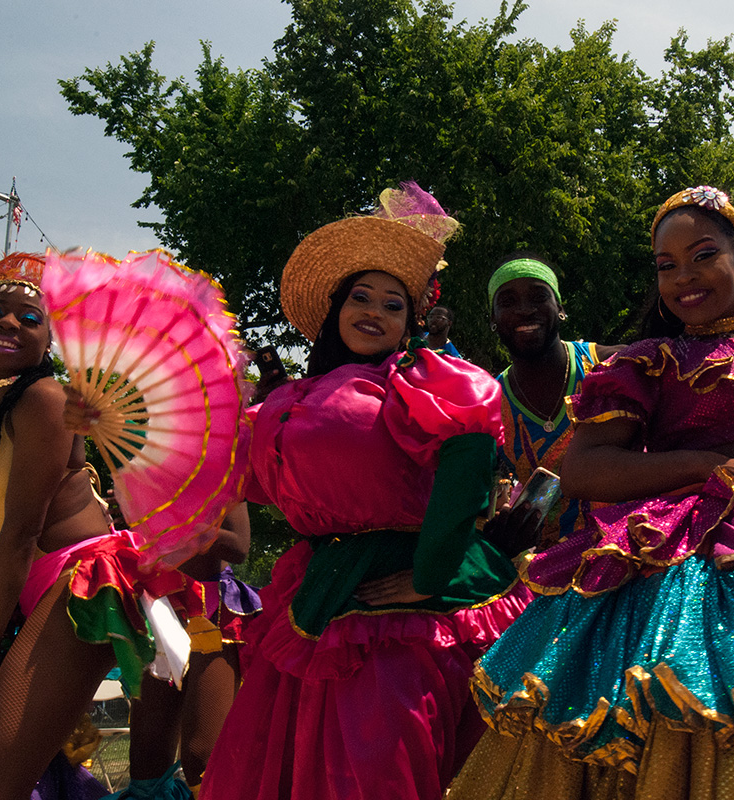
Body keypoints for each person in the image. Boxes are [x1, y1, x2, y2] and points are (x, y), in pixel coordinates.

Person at [447, 186, 734, 797]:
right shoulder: (646, 363)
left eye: (702, 254)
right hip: (695, 566)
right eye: (667, 265)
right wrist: (713, 465)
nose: (684, 277)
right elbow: (585, 470)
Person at [199, 183, 531, 800]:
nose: (374, 312)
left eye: (393, 305)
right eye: (360, 297)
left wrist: (432, 572)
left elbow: (467, 470)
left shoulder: (425, 381)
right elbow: (233, 476)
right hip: (321, 594)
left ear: (412, 321)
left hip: (414, 608)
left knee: (390, 763)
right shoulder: (290, 400)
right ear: (334, 309)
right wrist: (127, 425)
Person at [0, 252, 181, 800]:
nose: (10, 324)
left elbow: (19, 534)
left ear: (52, 338)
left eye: (31, 318)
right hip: (23, 595)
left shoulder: (45, 398)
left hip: (83, 587)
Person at [118, 504, 259, 799]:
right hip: (158, 610)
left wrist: (165, 523)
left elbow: (239, 544)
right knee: (146, 764)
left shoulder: (217, 463)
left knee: (202, 759)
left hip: (211, 614)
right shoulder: (142, 473)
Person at [486, 254, 622, 551]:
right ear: (493, 320)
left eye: (538, 297)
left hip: (630, 553)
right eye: (507, 302)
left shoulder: (613, 365)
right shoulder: (488, 405)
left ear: (559, 307)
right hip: (543, 574)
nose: (524, 311)